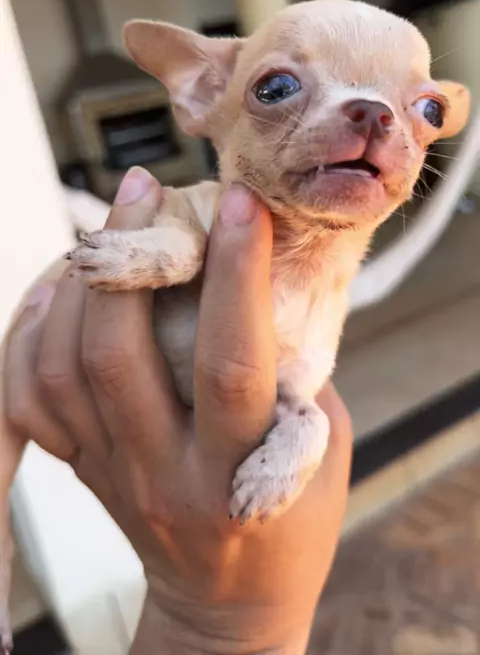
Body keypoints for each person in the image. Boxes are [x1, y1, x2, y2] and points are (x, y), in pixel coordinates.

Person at [3, 168, 352, 654]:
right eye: (276, 93)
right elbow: (177, 216)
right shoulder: (205, 204)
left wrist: (228, 626)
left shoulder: (318, 315)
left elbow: (298, 400)